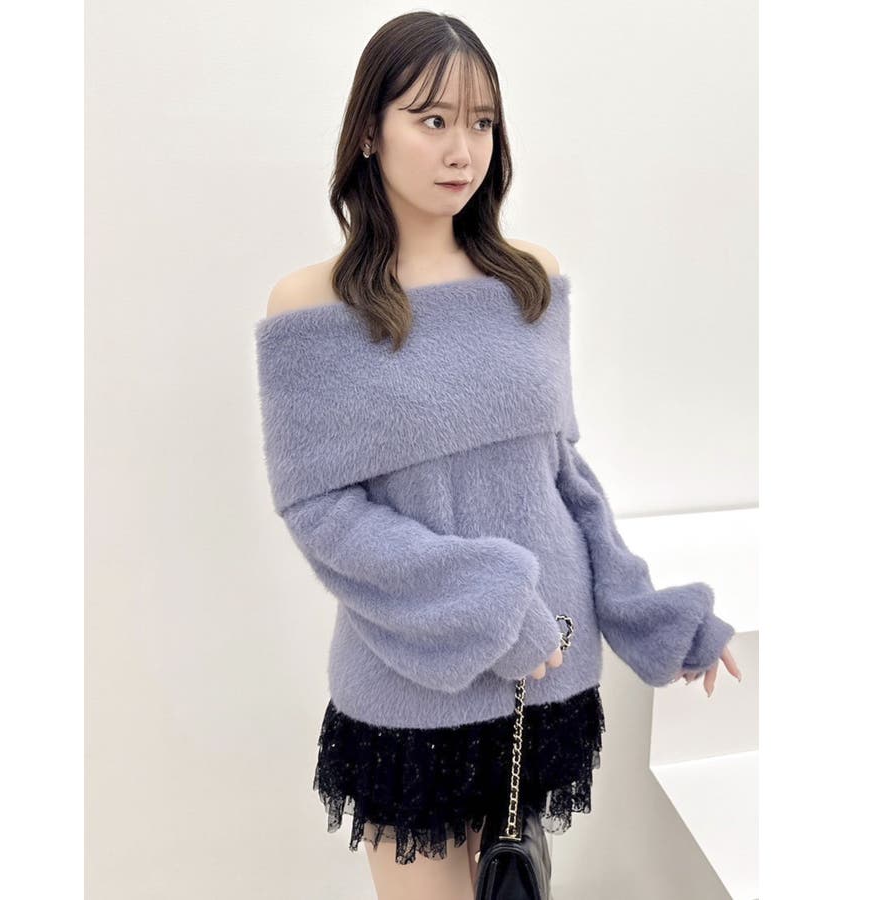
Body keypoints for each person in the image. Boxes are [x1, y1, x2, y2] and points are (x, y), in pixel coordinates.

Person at [254, 11, 741, 900]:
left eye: (481, 123)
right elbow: (319, 511)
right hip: (408, 685)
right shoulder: (312, 306)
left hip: (543, 680)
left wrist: (650, 617)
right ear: (370, 131)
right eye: (432, 119)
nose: (461, 149)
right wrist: (488, 605)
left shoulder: (529, 280)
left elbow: (564, 478)